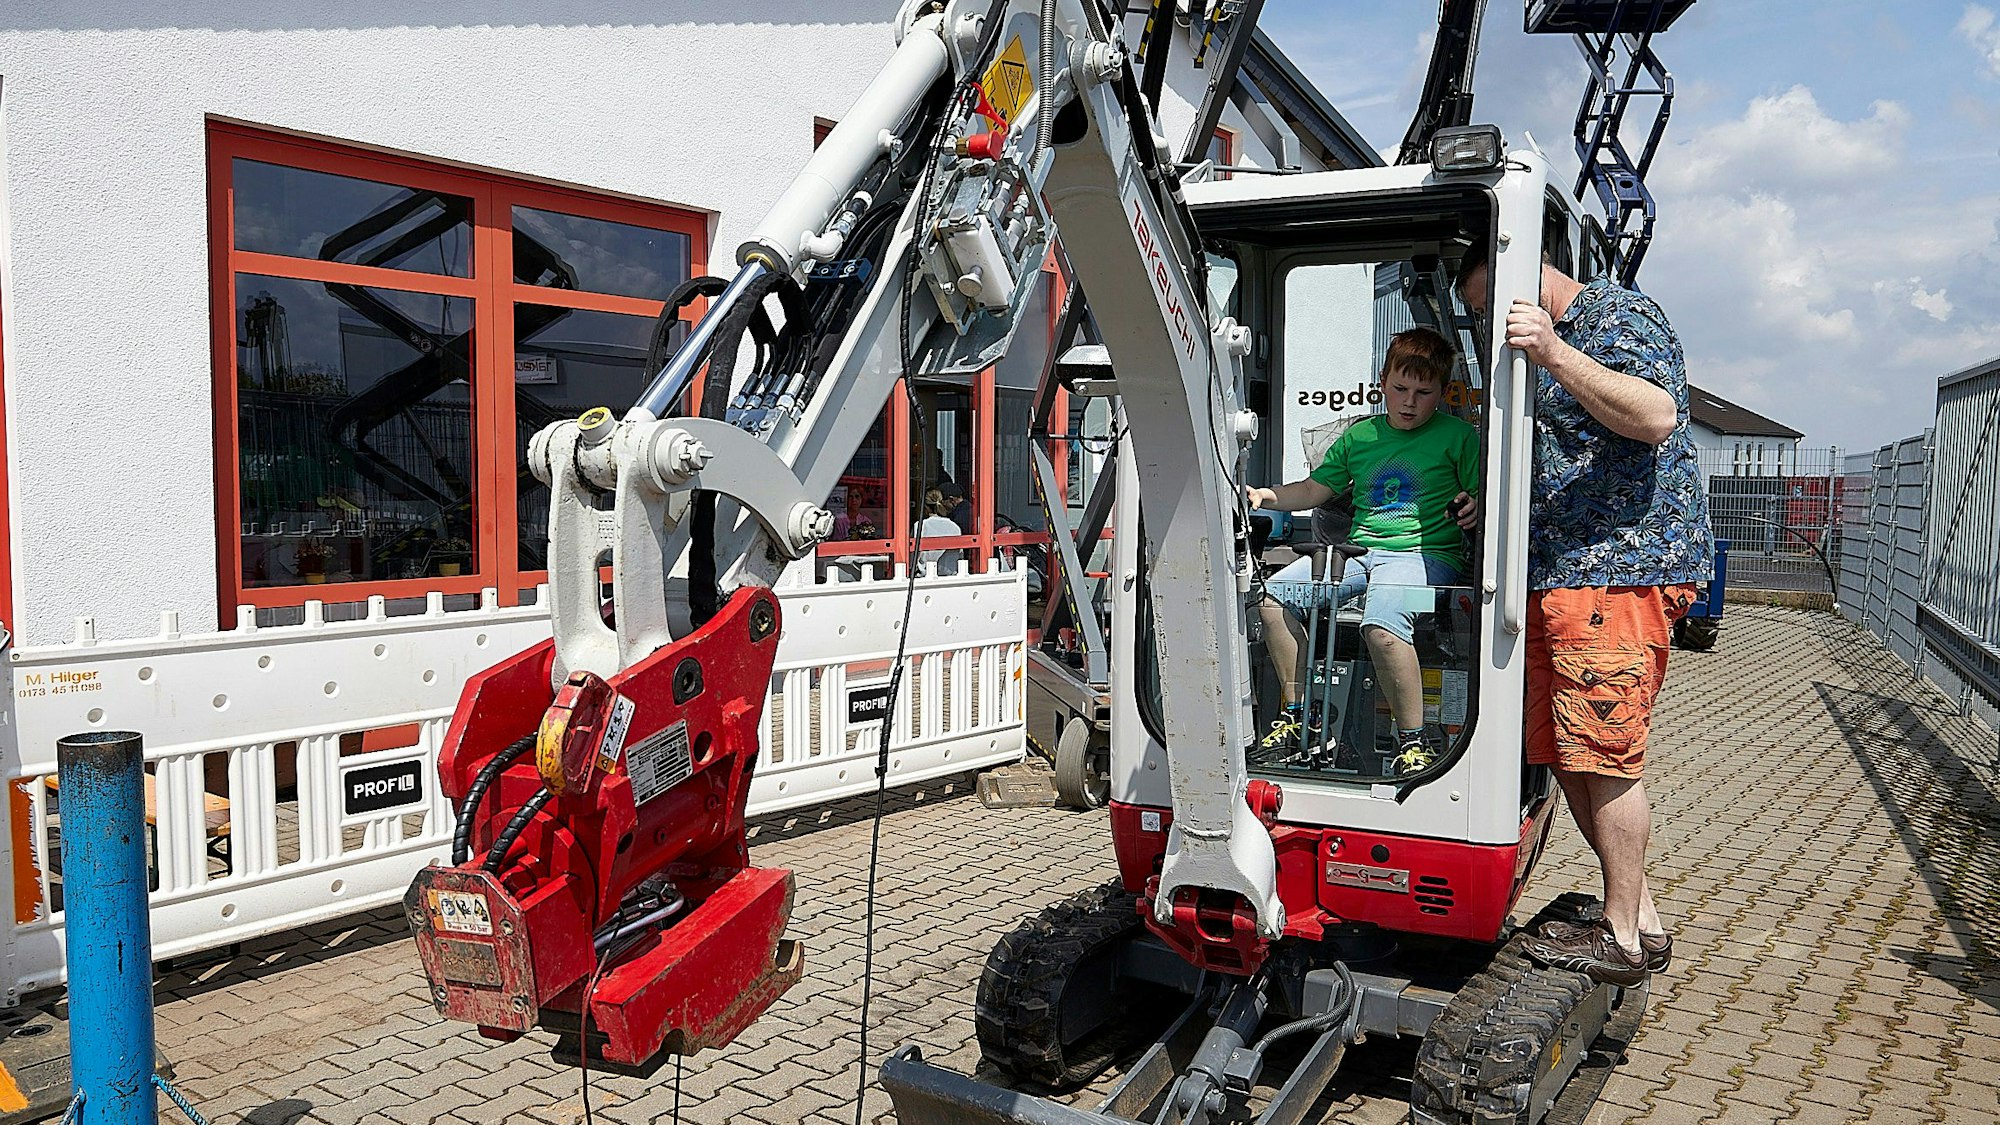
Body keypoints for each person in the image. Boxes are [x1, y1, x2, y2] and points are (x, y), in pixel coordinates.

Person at [1454, 234, 1713, 987]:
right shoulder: (1554, 344)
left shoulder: (1614, 318)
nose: (1482, 325)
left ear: (1525, 281)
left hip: (1618, 574)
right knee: (1570, 751)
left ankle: (1622, 936)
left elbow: (1658, 414)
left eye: (1485, 306)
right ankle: (1644, 917)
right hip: (1566, 574)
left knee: (1605, 753)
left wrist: (1554, 354)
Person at [1246, 327, 1481, 775]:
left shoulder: (1459, 438)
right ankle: (1298, 718)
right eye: (1399, 389)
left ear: (1442, 393)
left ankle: (1414, 742)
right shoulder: (1360, 437)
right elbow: (1316, 488)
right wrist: (1268, 495)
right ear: (1382, 381)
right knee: (1273, 599)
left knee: (1381, 625)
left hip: (1426, 557)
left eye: (1423, 392)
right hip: (1359, 551)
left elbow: (1481, 497)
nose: (1409, 401)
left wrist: (1475, 506)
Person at [917, 487, 964, 576]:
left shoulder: (920, 526)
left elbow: (913, 558)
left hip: (924, 576)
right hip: (950, 576)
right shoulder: (955, 527)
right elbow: (959, 556)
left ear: (925, 507)